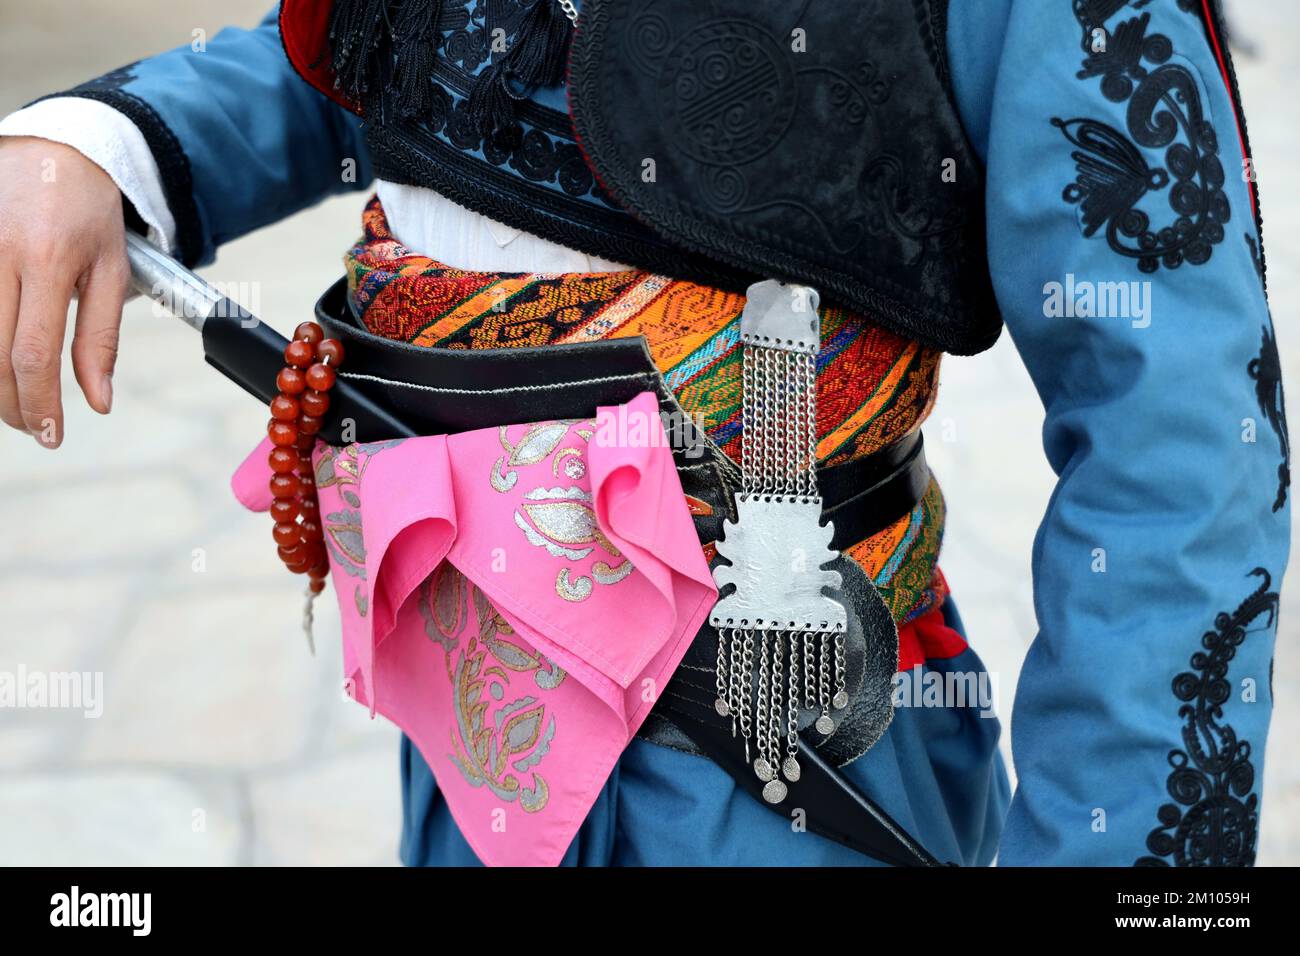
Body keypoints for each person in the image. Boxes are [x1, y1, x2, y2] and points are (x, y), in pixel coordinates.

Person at [0, 0, 1286, 866]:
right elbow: (386, 66)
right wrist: (95, 143)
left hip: (786, 763)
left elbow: (1180, 449)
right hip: (477, 744)